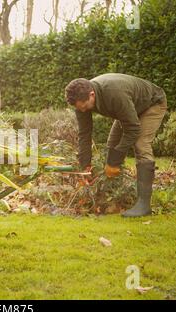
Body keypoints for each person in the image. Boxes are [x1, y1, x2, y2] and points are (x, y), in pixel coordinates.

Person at [65, 73, 167, 217]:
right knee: (112, 143)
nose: (83, 111)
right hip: (130, 108)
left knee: (141, 144)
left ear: (92, 94)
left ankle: (144, 205)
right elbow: (84, 134)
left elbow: (133, 128)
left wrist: (114, 162)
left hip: (152, 104)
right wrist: (85, 166)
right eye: (80, 109)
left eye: (85, 107)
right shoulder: (81, 101)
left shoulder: (114, 94)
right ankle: (112, 194)